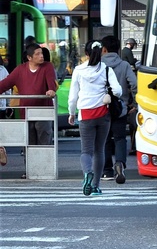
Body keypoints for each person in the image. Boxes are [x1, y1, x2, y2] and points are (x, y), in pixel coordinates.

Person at [68, 41, 121, 196]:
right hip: (103, 114)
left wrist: (72, 113)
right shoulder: (106, 69)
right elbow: (118, 91)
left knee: (86, 151)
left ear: (86, 53)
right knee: (99, 150)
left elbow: (73, 96)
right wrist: (107, 93)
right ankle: (96, 186)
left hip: (85, 114)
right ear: (101, 52)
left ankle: (87, 172)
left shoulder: (78, 70)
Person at [0, 44, 58, 152]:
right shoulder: (20, 70)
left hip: (43, 113)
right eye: (38, 54)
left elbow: (51, 83)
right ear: (29, 57)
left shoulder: (48, 66)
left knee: (44, 144)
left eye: (41, 53)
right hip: (26, 113)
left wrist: (51, 90)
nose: (41, 56)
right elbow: (4, 84)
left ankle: (44, 163)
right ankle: (29, 163)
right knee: (28, 145)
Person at [100, 35, 137, 184]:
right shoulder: (124, 65)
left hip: (102, 108)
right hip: (120, 108)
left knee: (104, 139)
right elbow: (134, 84)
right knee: (120, 138)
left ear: (104, 49)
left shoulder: (98, 65)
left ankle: (107, 170)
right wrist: (134, 103)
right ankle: (120, 163)